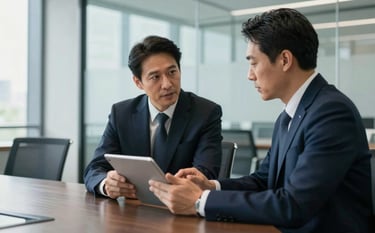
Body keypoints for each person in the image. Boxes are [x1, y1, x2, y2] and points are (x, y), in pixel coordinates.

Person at [149, 8, 372, 233]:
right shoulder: (288, 117)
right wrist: (211, 187)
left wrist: (200, 201)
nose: (250, 74)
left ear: (285, 60)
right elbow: (264, 181)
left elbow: (293, 205)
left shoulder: (331, 113)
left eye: (254, 63)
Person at [84, 35, 223, 200]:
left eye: (172, 72)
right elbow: (95, 169)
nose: (167, 84)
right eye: (155, 77)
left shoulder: (205, 112)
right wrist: (107, 184)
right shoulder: (121, 113)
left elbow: (205, 173)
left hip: (184, 212)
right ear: (138, 82)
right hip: (133, 211)